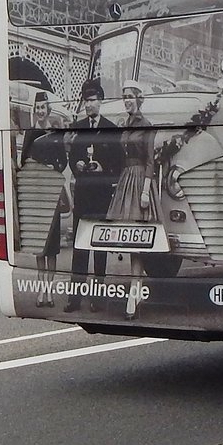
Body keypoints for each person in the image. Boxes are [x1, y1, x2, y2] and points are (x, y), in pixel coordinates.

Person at [64, 81, 123, 312]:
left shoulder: (110, 129)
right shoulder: (77, 127)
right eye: (86, 101)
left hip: (100, 193)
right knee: (80, 247)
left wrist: (102, 168)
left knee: (98, 246)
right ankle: (75, 297)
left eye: (93, 100)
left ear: (101, 102)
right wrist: (76, 163)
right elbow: (72, 157)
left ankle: (98, 297)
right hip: (83, 194)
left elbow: (118, 163)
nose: (89, 105)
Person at [107, 81, 160, 319]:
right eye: (124, 96)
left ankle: (134, 292)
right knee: (129, 239)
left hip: (139, 181)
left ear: (139, 98)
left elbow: (150, 160)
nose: (127, 100)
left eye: (130, 96)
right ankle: (136, 290)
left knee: (137, 239)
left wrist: (146, 190)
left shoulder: (146, 125)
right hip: (126, 179)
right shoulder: (125, 125)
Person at [20, 91, 67, 307]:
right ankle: (41, 290)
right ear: (35, 110)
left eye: (43, 107)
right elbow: (23, 162)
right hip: (37, 195)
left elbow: (63, 161)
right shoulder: (30, 134)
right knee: (40, 245)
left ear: (48, 109)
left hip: (52, 192)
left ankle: (49, 292)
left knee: (52, 248)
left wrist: (53, 169)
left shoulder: (55, 133)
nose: (40, 111)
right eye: (37, 107)